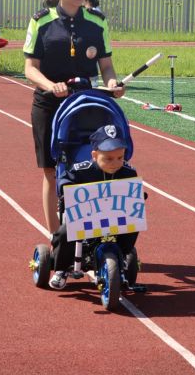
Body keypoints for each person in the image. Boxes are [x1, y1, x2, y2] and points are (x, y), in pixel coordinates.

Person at [24, 0, 125, 234]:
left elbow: (106, 65)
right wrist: (49, 85)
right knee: (52, 171)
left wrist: (114, 83)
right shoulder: (41, 22)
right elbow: (30, 68)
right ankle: (58, 239)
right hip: (49, 104)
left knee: (93, 164)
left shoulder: (97, 22)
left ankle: (94, 233)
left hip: (85, 104)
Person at [49, 124, 139, 289]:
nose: (115, 163)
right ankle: (61, 269)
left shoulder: (128, 172)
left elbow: (133, 192)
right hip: (85, 217)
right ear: (94, 155)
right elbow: (65, 180)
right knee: (65, 232)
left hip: (115, 218)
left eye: (120, 157)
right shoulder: (81, 170)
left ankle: (124, 254)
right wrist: (66, 188)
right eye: (109, 158)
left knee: (133, 222)